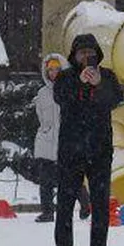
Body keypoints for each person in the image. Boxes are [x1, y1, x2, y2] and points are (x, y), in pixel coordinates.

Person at [53, 34, 121, 246]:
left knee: (100, 204)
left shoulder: (108, 76)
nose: (86, 56)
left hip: (100, 149)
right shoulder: (64, 77)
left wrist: (98, 85)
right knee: (65, 202)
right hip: (71, 150)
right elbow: (61, 98)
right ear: (74, 55)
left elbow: (114, 99)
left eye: (90, 52)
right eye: (81, 52)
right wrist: (79, 83)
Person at [31, 52, 68, 222]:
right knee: (45, 180)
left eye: (57, 69)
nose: (53, 73)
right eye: (50, 69)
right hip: (46, 141)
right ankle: (47, 211)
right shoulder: (42, 93)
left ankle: (82, 205)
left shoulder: (70, 90)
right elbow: (40, 116)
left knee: (67, 179)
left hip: (65, 140)